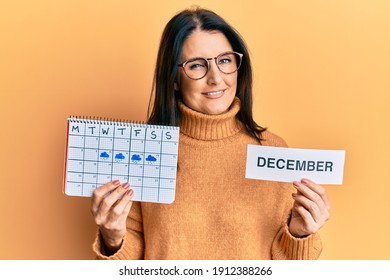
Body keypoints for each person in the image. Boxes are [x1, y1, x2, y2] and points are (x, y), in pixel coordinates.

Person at [90, 7, 330, 260]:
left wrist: (300, 235)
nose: (216, 78)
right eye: (196, 65)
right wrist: (112, 238)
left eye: (225, 60)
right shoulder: (143, 152)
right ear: (173, 79)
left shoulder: (274, 151)